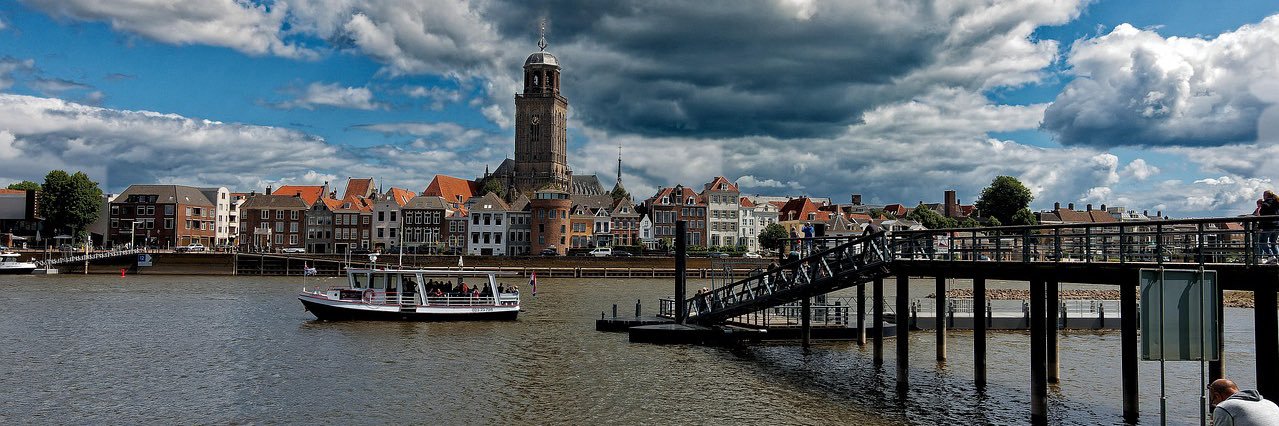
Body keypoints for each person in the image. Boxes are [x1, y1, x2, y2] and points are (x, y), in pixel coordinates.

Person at [1209, 378, 1279, 425]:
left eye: (1213, 401)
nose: (1215, 404)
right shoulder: (1270, 403)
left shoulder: (1224, 407)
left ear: (1217, 396)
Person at [1259, 191, 1279, 264]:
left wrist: (1260, 227)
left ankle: (1271, 256)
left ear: (1265, 196)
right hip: (1277, 226)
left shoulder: (1265, 204)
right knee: (1273, 243)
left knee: (1261, 242)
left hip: (1268, 226)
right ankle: (1277, 258)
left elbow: (1262, 217)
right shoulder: (1277, 203)